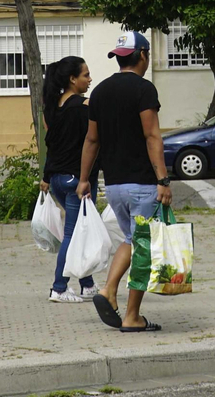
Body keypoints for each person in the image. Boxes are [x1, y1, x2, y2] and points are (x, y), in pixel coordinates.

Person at [77, 31, 172, 333]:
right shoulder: (144, 90)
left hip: (114, 185)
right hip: (143, 183)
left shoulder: (101, 91)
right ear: (143, 55)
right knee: (143, 247)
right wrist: (163, 180)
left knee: (131, 240)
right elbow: (152, 135)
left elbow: (91, 139)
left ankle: (108, 290)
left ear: (119, 57)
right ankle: (131, 315)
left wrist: (84, 180)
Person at [40, 55, 96, 304]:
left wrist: (45, 177)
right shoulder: (83, 107)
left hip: (58, 181)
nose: (90, 79)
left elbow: (52, 146)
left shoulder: (53, 108)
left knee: (80, 231)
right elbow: (92, 142)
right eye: (85, 75)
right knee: (73, 234)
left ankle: (87, 284)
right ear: (73, 79)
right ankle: (59, 287)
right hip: (77, 180)